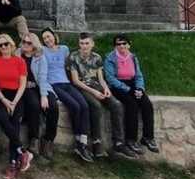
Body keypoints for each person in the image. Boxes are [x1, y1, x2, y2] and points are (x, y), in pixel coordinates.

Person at [69, 33, 135, 160]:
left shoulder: (97, 57)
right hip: (83, 87)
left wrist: (106, 89)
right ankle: (96, 142)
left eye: (87, 43)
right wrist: (94, 92)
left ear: (92, 44)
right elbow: (76, 81)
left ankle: (118, 142)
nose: (84, 46)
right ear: (79, 44)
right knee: (96, 106)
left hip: (97, 86)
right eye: (82, 43)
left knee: (116, 105)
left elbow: (101, 78)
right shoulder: (73, 57)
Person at [41, 28, 92, 162]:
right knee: (75, 107)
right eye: (44, 38)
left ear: (54, 36)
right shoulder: (43, 50)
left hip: (67, 83)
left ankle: (83, 142)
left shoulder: (64, 49)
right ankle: (78, 141)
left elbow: (71, 65)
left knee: (84, 106)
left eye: (49, 36)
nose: (47, 40)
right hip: (54, 85)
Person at [104, 35, 159, 154]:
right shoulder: (110, 58)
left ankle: (147, 137)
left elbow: (138, 75)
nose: (122, 46)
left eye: (124, 43)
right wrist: (127, 89)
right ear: (115, 46)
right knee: (131, 105)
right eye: (118, 44)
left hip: (132, 84)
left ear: (129, 44)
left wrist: (139, 88)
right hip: (118, 86)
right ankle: (131, 139)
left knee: (146, 104)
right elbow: (110, 78)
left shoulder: (133, 57)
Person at [0, 34, 31, 179]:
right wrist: (5, 101)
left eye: (6, 44)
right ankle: (22, 151)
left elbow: (22, 84)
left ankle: (12, 164)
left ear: (12, 45)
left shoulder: (19, 61)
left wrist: (13, 102)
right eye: (0, 45)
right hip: (1, 95)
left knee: (15, 124)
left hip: (17, 96)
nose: (3, 47)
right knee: (2, 119)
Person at [17, 34, 59, 161]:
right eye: (24, 42)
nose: (25, 44)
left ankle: (48, 141)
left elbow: (42, 77)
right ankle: (33, 139)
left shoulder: (40, 57)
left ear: (34, 45)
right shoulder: (18, 54)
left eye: (29, 43)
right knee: (34, 105)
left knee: (53, 106)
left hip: (41, 85)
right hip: (26, 88)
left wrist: (44, 95)